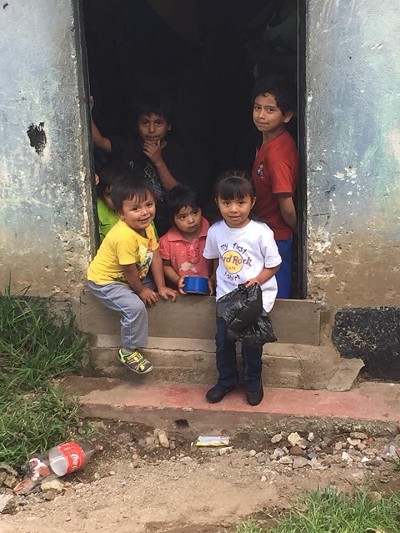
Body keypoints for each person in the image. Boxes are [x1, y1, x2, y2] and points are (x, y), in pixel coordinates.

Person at [87, 172, 177, 375]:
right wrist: (141, 290)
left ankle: (147, 289)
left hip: (131, 274)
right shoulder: (124, 236)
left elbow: (154, 253)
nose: (144, 212)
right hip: (106, 281)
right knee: (135, 307)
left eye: (148, 205)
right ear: (121, 213)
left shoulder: (146, 226)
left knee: (154, 291)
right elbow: (128, 270)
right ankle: (128, 350)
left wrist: (161, 286)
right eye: (135, 209)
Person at [203, 173, 281, 406]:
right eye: (227, 203)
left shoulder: (260, 232)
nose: (234, 209)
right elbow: (214, 258)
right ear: (217, 202)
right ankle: (226, 380)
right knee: (223, 341)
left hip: (254, 300)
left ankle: (253, 381)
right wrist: (212, 279)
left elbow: (274, 263)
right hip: (226, 298)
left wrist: (258, 280)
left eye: (241, 202)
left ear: (252, 202)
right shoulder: (216, 231)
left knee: (251, 342)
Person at [91, 92, 188, 236]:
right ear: (137, 125)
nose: (151, 130)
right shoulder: (128, 146)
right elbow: (99, 141)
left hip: (169, 223)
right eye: (145, 123)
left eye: (158, 123)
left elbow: (177, 191)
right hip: (134, 221)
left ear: (169, 126)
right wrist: (88, 110)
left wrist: (158, 160)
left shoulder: (178, 153)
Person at [251, 74, 299, 298]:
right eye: (257, 108)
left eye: (270, 110)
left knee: (276, 297)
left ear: (287, 116)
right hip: (266, 231)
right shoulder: (268, 144)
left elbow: (286, 206)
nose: (261, 115)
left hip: (277, 235)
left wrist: (296, 230)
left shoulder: (278, 154)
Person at [159, 185, 213, 294]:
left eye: (195, 212)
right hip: (181, 295)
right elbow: (165, 265)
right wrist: (178, 280)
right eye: (183, 217)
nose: (191, 220)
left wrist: (212, 280)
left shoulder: (212, 233)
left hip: (210, 291)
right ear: (172, 219)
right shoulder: (166, 241)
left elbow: (219, 261)